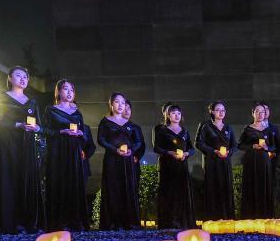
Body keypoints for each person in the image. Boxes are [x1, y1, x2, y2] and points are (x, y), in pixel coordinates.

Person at [0, 65, 43, 233]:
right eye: (18, 75)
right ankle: (9, 223)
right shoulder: (1, 98)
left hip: (28, 145)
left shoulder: (32, 101)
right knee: (10, 181)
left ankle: (28, 222)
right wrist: (18, 125)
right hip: (8, 144)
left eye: (25, 76)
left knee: (27, 181)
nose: (23, 79)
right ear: (10, 78)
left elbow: (39, 125)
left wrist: (36, 129)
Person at [44, 78, 88, 230]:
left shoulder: (77, 113)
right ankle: (58, 223)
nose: (69, 92)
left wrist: (81, 134)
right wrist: (62, 131)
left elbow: (84, 135)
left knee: (74, 183)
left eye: (72, 90)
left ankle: (75, 221)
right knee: (58, 183)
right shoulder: (51, 109)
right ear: (58, 91)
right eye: (65, 89)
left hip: (73, 151)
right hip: (57, 151)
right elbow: (46, 131)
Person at [97, 92, 143, 229]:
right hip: (112, 160)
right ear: (111, 104)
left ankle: (129, 222)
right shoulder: (105, 121)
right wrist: (114, 149)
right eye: (117, 102)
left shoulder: (130, 124)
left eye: (123, 103)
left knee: (127, 189)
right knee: (113, 189)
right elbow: (101, 139)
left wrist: (132, 150)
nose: (121, 105)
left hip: (127, 161)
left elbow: (138, 141)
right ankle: (112, 223)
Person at [153, 103, 195, 229]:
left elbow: (191, 149)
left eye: (178, 113)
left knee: (182, 193)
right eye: (173, 113)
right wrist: (169, 152)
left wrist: (186, 153)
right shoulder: (162, 130)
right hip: (168, 166)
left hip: (181, 166)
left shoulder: (185, 131)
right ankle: (169, 222)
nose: (176, 116)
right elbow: (157, 148)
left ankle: (183, 221)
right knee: (169, 194)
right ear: (168, 115)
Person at [194, 100, 236, 220]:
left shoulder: (228, 127)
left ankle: (227, 218)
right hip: (212, 162)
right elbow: (198, 143)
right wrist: (214, 151)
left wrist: (229, 152)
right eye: (217, 110)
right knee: (213, 188)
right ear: (211, 111)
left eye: (223, 110)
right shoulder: (205, 126)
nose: (220, 112)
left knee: (225, 188)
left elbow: (234, 145)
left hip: (225, 162)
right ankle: (212, 218)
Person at [237, 103, 274, 219]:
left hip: (264, 160)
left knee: (264, 185)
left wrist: (267, 148)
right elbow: (239, 145)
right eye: (257, 111)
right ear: (253, 113)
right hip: (251, 161)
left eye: (262, 111)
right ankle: (250, 215)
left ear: (265, 114)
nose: (260, 114)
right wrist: (251, 146)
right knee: (251, 185)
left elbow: (274, 146)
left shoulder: (268, 129)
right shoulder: (247, 129)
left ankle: (265, 216)